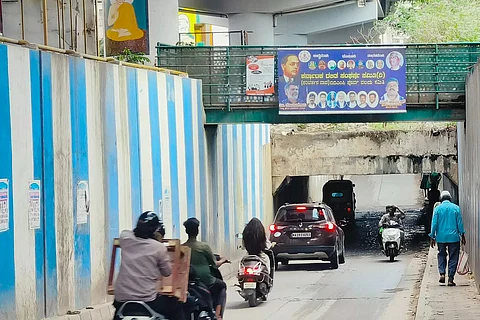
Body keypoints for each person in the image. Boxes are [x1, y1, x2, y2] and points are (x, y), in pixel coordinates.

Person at [113, 211, 185, 320]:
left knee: (117, 313)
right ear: (155, 230)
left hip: (121, 299)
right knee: (175, 305)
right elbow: (167, 272)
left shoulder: (125, 238)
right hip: (148, 300)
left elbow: (128, 233)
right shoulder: (158, 248)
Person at [183, 218, 229, 320]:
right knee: (222, 286)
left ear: (186, 231)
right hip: (206, 281)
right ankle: (218, 314)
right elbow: (214, 265)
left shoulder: (182, 247)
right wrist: (223, 260)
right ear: (197, 231)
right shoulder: (204, 247)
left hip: (187, 282)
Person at [429, 191, 466, 287]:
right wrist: (462, 235)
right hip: (453, 237)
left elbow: (434, 224)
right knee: (453, 257)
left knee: (441, 255)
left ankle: (442, 273)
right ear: (450, 199)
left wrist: (432, 236)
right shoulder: (456, 208)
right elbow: (460, 223)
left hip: (441, 237)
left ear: (441, 199)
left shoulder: (437, 209)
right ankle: (450, 279)